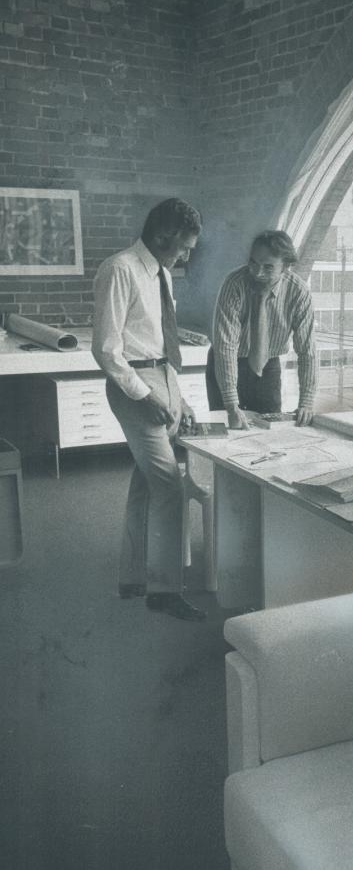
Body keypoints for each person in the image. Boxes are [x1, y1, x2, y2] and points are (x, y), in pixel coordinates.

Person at [91, 197, 206, 622]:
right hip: (135, 387)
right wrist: (147, 396)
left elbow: (160, 343)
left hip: (162, 379)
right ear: (163, 235)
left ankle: (133, 578)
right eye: (185, 246)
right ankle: (165, 590)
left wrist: (181, 398)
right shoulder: (120, 269)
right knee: (170, 488)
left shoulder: (161, 273)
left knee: (145, 483)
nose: (188, 255)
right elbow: (107, 350)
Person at [207, 230, 317, 429]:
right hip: (226, 362)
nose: (257, 273)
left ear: (286, 267)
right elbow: (225, 348)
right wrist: (232, 406)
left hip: (269, 367)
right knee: (227, 431)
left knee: (269, 431)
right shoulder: (234, 284)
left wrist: (306, 403)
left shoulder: (298, 292)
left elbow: (307, 352)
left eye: (268, 267)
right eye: (253, 263)